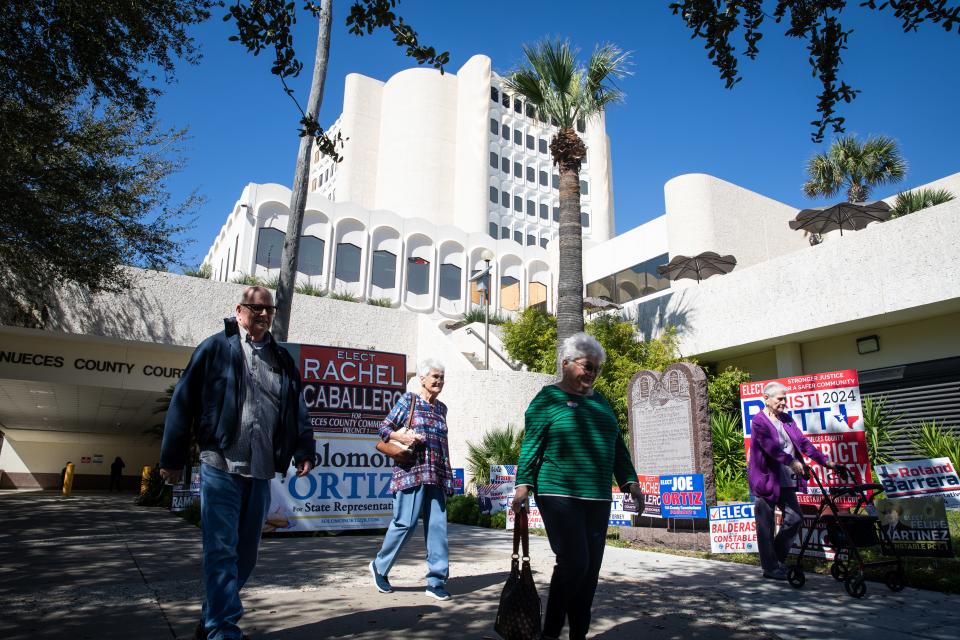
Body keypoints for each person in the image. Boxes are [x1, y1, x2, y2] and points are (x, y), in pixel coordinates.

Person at [160, 286, 315, 640]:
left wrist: (304, 448)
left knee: (246, 555)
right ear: (239, 309)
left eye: (268, 310)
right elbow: (183, 400)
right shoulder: (216, 347)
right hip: (221, 464)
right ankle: (222, 628)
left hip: (260, 469)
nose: (262, 314)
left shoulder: (282, 359)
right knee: (221, 549)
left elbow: (296, 411)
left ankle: (212, 617)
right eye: (255, 308)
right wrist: (172, 457)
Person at [511, 333, 645, 640]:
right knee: (575, 561)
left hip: (597, 496)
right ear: (566, 364)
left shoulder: (601, 403)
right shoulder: (547, 398)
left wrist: (631, 482)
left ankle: (578, 635)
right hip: (558, 491)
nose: (592, 373)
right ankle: (551, 632)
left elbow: (617, 447)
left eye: (597, 368)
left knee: (589, 572)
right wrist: (523, 485)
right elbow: (531, 444)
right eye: (587, 366)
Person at [370, 359, 454, 601]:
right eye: (434, 377)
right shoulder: (409, 400)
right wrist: (402, 437)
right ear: (423, 379)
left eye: (441, 378)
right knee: (405, 523)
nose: (438, 381)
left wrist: (447, 477)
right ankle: (380, 567)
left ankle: (436, 581)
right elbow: (384, 429)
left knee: (438, 528)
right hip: (411, 472)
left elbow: (443, 445)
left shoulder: (442, 409)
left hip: (435, 474)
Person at [748, 381, 840, 581]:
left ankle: (775, 560)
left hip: (786, 479)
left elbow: (804, 444)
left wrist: (825, 462)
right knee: (766, 527)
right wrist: (792, 462)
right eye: (780, 399)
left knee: (795, 518)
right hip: (766, 480)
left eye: (785, 399)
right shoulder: (759, 422)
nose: (784, 403)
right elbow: (770, 448)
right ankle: (770, 568)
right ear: (767, 398)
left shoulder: (787, 420)